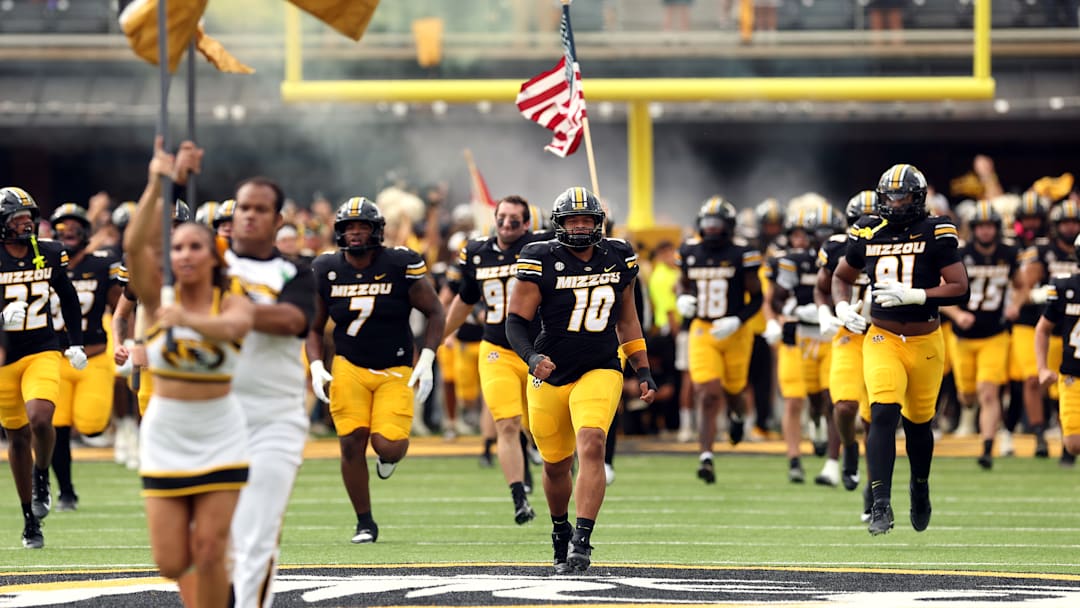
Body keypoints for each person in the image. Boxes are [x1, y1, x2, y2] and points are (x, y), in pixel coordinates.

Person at [124, 138, 255, 607]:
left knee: (211, 549)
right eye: (176, 247)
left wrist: (191, 321)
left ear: (214, 255)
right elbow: (133, 244)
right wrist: (159, 182)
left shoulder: (232, 299)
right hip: (166, 434)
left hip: (221, 430)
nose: (184, 255)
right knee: (171, 562)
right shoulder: (158, 302)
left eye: (195, 246)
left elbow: (235, 327)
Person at [506, 187, 656, 573]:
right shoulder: (539, 258)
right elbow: (516, 322)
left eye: (586, 220)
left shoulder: (619, 256)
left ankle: (583, 538)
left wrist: (643, 368)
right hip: (550, 371)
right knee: (556, 464)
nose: (579, 227)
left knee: (592, 442)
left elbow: (627, 318)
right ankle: (560, 529)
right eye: (572, 221)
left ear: (598, 223)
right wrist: (531, 357)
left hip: (601, 365)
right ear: (559, 225)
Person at [832, 164, 969, 536]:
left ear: (918, 197)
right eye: (889, 196)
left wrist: (920, 294)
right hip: (882, 337)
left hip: (925, 339)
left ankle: (920, 488)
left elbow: (960, 287)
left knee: (919, 427)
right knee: (882, 414)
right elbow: (841, 276)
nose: (894, 203)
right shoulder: (866, 229)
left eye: (902, 196)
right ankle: (879, 503)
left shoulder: (935, 230)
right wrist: (842, 307)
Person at [306, 196, 445, 544]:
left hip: (395, 366)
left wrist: (426, 358)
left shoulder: (400, 262)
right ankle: (364, 521)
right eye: (348, 228)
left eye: (362, 227)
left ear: (376, 230)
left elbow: (436, 311)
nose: (354, 234)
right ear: (339, 232)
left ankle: (389, 457)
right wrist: (314, 365)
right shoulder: (326, 268)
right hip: (349, 364)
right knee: (351, 443)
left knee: (388, 445)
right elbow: (313, 324)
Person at [226, 177, 314, 608]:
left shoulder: (295, 271)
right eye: (243, 207)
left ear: (277, 220)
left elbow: (292, 321)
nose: (249, 215)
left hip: (273, 417)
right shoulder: (207, 264)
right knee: (213, 541)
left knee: (257, 535)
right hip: (212, 414)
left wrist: (231, 309)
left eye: (260, 209)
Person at [442, 195, 547, 524]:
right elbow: (466, 298)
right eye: (501, 217)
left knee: (541, 428)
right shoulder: (478, 252)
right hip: (496, 349)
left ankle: (541, 458)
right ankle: (519, 498)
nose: (505, 225)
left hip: (537, 349)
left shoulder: (541, 247)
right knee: (506, 422)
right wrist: (439, 334)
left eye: (514, 220)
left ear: (527, 223)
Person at [0, 186, 88, 549]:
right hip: (5, 358)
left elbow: (67, 297)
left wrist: (76, 341)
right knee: (16, 437)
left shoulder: (49, 252)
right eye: (17, 219)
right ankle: (28, 520)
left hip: (42, 348)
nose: (26, 224)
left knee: (39, 419)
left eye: (29, 218)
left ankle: (42, 476)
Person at [675, 197, 763, 484]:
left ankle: (737, 418)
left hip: (735, 330)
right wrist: (682, 298)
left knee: (735, 390)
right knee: (708, 391)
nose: (712, 229)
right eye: (708, 224)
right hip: (704, 330)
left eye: (717, 224)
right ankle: (706, 456)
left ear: (728, 226)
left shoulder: (743, 252)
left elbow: (757, 297)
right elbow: (683, 282)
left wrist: (738, 319)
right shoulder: (689, 249)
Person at [47, 203, 125, 511]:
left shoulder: (103, 262)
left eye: (75, 228)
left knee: (91, 424)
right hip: (53, 355)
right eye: (62, 229)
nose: (68, 234)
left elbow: (121, 303)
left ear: (86, 233)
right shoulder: (45, 262)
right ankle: (66, 491)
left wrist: (127, 336)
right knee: (57, 428)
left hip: (92, 355)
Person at [941, 202, 1023, 470]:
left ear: (997, 229)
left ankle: (987, 448)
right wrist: (956, 315)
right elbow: (940, 293)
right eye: (981, 226)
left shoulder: (1008, 253)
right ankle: (970, 415)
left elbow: (1022, 285)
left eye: (990, 226)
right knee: (968, 395)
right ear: (973, 229)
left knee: (989, 392)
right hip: (963, 337)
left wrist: (1016, 305)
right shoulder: (960, 254)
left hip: (995, 335)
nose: (986, 232)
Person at [770, 203, 840, 485]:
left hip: (832, 336)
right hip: (800, 336)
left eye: (828, 233)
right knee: (795, 399)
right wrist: (792, 313)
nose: (823, 239)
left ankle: (830, 455)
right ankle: (794, 460)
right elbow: (777, 296)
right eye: (818, 233)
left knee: (830, 398)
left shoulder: (845, 257)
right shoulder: (793, 261)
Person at [815, 191, 876, 497]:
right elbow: (822, 287)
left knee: (876, 417)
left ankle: (873, 489)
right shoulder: (838, 246)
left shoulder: (898, 246)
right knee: (845, 405)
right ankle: (849, 447)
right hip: (849, 336)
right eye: (857, 222)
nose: (864, 228)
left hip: (884, 336)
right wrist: (827, 312)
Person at [1017, 200, 1080, 464]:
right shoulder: (1065, 284)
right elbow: (1024, 288)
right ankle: (1042, 434)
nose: (1069, 226)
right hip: (1071, 362)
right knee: (1074, 443)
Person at [1035, 233, 1080, 463]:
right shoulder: (1066, 286)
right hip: (1073, 373)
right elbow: (1042, 329)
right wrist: (1042, 368)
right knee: (1073, 444)